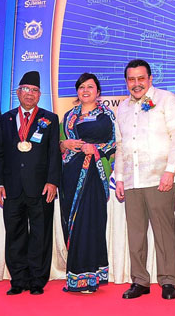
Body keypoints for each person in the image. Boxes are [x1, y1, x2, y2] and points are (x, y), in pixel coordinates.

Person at [115, 59, 175, 300]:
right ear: (126, 82)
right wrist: (120, 178)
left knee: (164, 232)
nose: (136, 84)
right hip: (133, 180)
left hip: (159, 178)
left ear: (150, 78)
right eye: (131, 80)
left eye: (140, 78)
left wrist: (170, 170)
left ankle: (167, 281)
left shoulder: (167, 100)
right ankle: (140, 281)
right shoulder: (122, 108)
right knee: (136, 234)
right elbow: (121, 145)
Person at [0, 71, 61, 296]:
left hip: (41, 187)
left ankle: (37, 280)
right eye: (25, 90)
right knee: (15, 233)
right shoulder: (6, 118)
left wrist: (52, 181)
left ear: (39, 95)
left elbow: (54, 153)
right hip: (11, 188)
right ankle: (18, 280)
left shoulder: (49, 118)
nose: (29, 94)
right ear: (18, 92)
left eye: (34, 91)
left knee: (40, 234)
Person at [59, 73, 116, 293]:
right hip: (71, 175)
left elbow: (114, 143)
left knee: (91, 222)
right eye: (81, 87)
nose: (85, 90)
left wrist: (96, 149)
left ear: (98, 92)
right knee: (72, 222)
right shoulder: (68, 116)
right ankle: (75, 276)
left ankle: (92, 276)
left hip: (95, 174)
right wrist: (64, 144)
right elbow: (59, 145)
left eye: (90, 87)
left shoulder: (107, 115)